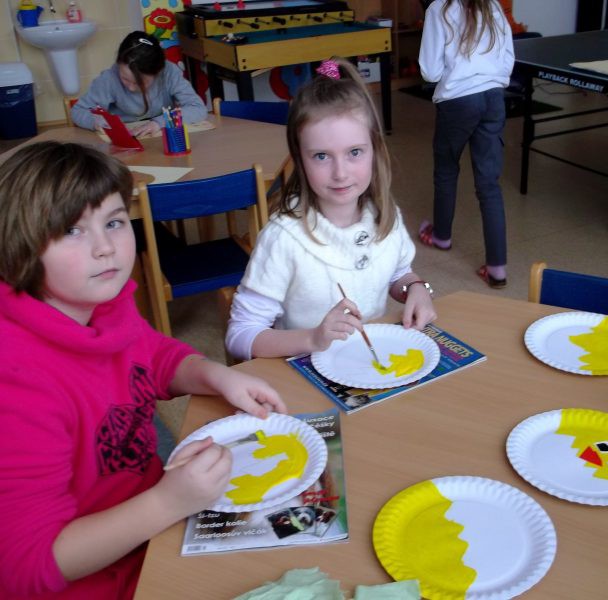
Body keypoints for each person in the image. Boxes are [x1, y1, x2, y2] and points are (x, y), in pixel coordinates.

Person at [0, 141, 287, 599]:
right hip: (98, 576)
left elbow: (152, 356)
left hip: (153, 520)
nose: (105, 248)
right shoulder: (16, 383)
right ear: (19, 246)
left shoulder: (101, 300)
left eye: (114, 222)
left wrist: (214, 374)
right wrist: (168, 502)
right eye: (72, 230)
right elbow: (27, 568)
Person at [226, 58, 437, 361]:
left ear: (375, 150)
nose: (340, 173)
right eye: (322, 156)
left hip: (366, 366)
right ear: (300, 160)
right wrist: (313, 338)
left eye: (354, 152)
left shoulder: (386, 217)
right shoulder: (283, 238)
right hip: (300, 371)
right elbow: (240, 335)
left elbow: (397, 273)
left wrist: (415, 287)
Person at [418, 0, 515, 288]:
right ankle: (497, 268)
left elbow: (430, 72)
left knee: (447, 169)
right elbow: (508, 59)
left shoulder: (439, 9)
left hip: (458, 101)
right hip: (494, 98)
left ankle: (441, 236)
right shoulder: (492, 5)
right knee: (489, 184)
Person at [70, 31, 207, 137]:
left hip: (162, 136)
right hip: (126, 140)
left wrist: (159, 123)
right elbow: (78, 111)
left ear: (157, 72)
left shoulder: (169, 72)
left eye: (139, 83)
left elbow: (197, 108)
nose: (130, 87)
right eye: (125, 79)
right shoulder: (109, 78)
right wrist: (96, 121)